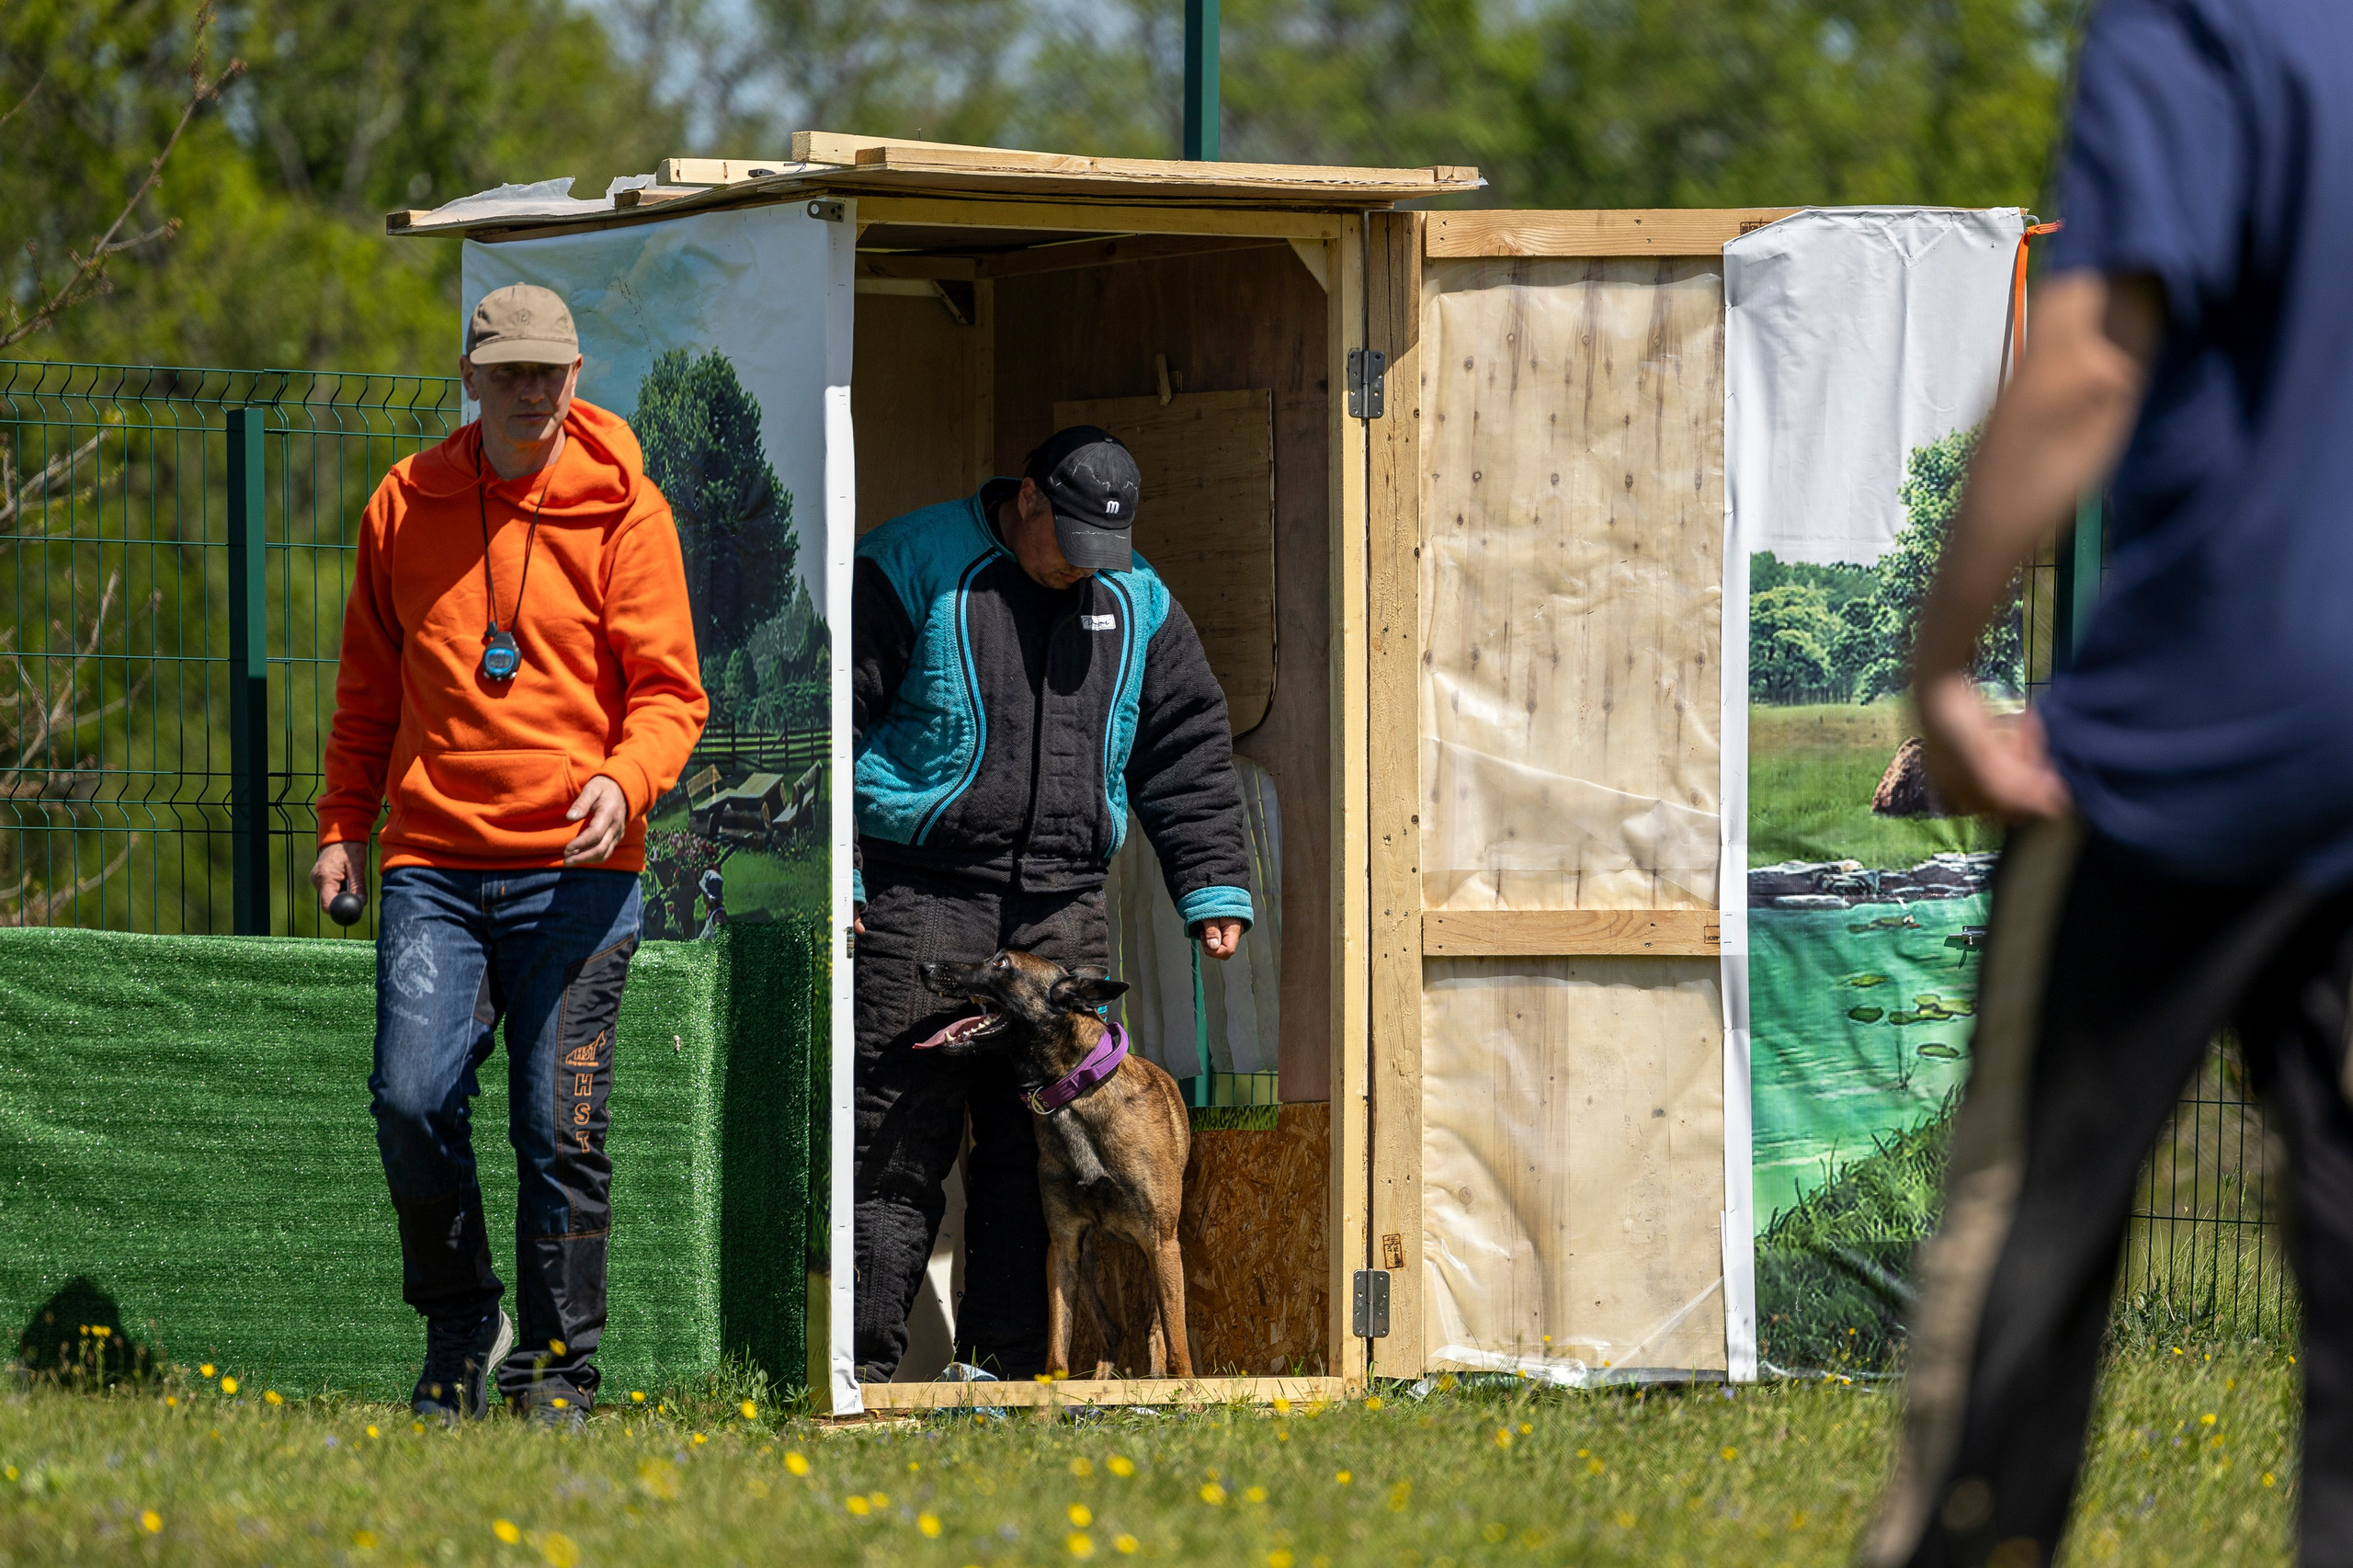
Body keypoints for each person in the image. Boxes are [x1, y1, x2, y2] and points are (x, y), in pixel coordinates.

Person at [1871, 4, 2353, 1563]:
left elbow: (2088, 358)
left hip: (2202, 724)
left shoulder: (2203, 22)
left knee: (2034, 1226)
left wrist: (1945, 666)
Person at [311, 284, 708, 1427]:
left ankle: (557, 1373)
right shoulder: (405, 501)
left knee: (557, 1125)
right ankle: (459, 1324)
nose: (534, 391)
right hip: (432, 861)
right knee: (409, 1095)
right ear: (471, 376)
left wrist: (620, 780)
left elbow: (672, 697)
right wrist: (343, 823)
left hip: (580, 873)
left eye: (553, 371)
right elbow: (366, 689)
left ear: (577, 375)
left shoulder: (630, 510)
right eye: (512, 371)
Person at [850, 426, 1255, 1382]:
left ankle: (1003, 1370)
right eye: (1069, 539)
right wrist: (845, 877)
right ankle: (859, 1368)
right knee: (897, 1135)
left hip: (1065, 904)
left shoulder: (1139, 596)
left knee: (1043, 1151)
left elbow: (1186, 744)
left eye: (1103, 550)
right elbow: (835, 712)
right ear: (1025, 498)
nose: (1084, 567)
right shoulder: (911, 562)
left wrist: (1211, 884)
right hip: (924, 889)